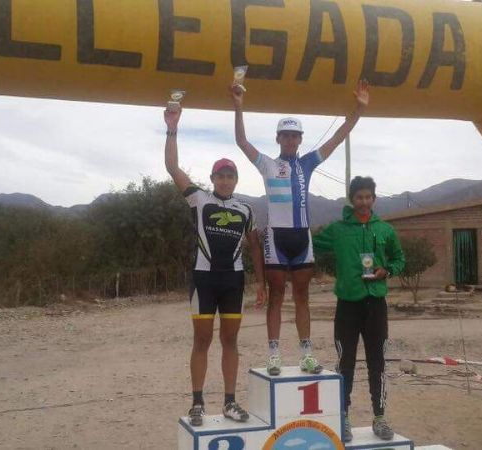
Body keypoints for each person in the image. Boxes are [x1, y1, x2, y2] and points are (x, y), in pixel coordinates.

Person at [230, 79, 370, 376]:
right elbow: (241, 141)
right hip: (276, 238)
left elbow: (338, 137)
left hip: (302, 238)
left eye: (295, 136)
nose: (291, 140)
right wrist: (238, 106)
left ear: (300, 140)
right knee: (276, 297)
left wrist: (358, 110)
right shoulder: (267, 164)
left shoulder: (307, 162)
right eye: (286, 136)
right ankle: (274, 355)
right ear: (278, 139)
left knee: (303, 297)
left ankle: (306, 354)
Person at [163, 103, 266, 427]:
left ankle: (230, 402)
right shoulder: (199, 198)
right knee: (202, 340)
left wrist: (261, 283)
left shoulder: (246, 209)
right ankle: (197, 403)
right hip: (204, 280)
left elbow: (254, 246)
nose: (225, 180)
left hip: (233, 281)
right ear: (212, 179)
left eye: (230, 175)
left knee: (230, 341)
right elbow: (172, 167)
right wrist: (172, 128)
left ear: (236, 179)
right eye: (220, 176)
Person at [313, 176, 405, 442]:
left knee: (378, 363)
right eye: (359, 197)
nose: (364, 202)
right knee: (345, 363)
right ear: (351, 200)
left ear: (374, 199)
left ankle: (380, 417)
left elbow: (399, 259)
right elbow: (311, 244)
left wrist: (387, 270)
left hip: (376, 304)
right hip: (347, 305)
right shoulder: (338, 230)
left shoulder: (385, 230)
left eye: (368, 197)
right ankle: (343, 417)